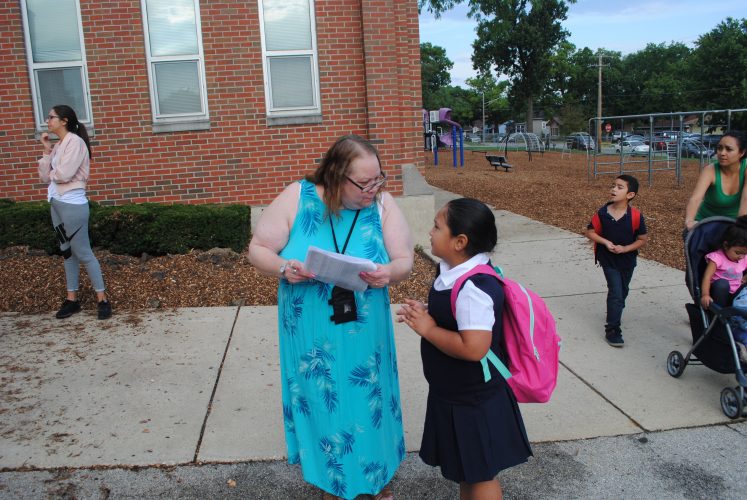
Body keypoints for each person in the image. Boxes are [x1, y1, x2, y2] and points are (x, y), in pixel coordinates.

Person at [247, 135, 413, 500]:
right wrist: (283, 267)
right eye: (363, 183)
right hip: (310, 330)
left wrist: (389, 273)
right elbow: (258, 249)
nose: (373, 188)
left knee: (367, 399)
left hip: (364, 329)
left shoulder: (382, 205)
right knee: (322, 399)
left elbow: (405, 260)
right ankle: (332, 483)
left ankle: (375, 480)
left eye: (378, 179)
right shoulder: (297, 196)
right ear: (336, 175)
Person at [396, 198, 532, 500]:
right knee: (468, 469)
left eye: (437, 226)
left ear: (460, 241)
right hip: (458, 394)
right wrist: (430, 311)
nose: (430, 232)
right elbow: (458, 317)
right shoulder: (455, 275)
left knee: (480, 475)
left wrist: (428, 328)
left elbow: (474, 348)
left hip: (473, 400)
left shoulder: (473, 287)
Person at [38, 105, 112, 320]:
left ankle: (103, 300)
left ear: (64, 121)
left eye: (51, 117)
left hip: (73, 205)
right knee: (67, 252)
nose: (47, 121)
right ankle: (72, 300)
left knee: (84, 253)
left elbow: (65, 174)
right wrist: (46, 150)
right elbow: (46, 177)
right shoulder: (59, 145)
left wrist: (53, 172)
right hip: (57, 205)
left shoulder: (75, 143)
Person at [585, 175, 648, 347]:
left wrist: (626, 249)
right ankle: (613, 329)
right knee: (615, 292)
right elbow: (590, 232)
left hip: (627, 261)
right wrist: (605, 242)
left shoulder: (635, 216)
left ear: (630, 194)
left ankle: (616, 309)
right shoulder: (602, 213)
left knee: (623, 291)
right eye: (613, 186)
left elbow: (642, 239)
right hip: (608, 260)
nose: (613, 189)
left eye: (620, 187)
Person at [685, 131, 747, 231]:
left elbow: (746, 201)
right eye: (719, 148)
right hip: (707, 223)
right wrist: (689, 221)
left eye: (729, 149)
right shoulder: (710, 170)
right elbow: (696, 198)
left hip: (734, 223)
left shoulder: (745, 168)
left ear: (742, 152)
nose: (722, 153)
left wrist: (740, 228)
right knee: (690, 237)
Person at [700, 215, 747, 310]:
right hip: (719, 294)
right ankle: (719, 313)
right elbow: (707, 277)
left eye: (745, 253)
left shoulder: (744, 257)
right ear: (726, 245)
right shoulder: (717, 258)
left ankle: (739, 312)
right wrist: (705, 294)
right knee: (722, 284)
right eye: (738, 253)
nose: (741, 256)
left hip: (737, 293)